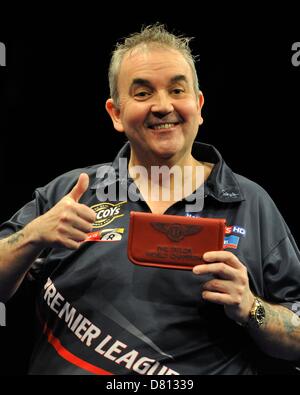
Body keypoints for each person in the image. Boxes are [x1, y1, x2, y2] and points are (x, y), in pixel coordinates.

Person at [0, 23, 300, 375]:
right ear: (115, 113)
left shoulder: (252, 204)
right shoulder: (70, 192)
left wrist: (252, 308)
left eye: (177, 89)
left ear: (198, 105)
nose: (162, 106)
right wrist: (33, 235)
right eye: (142, 93)